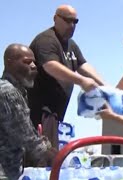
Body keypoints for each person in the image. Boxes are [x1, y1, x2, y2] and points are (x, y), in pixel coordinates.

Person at [27, 4, 106, 153]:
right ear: (55, 18)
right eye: (67, 20)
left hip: (56, 112)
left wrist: (104, 85)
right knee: (43, 157)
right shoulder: (46, 40)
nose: (71, 25)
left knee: (52, 154)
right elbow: (51, 66)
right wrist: (81, 81)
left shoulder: (71, 44)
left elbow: (82, 65)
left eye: (75, 22)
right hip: (40, 111)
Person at [0, 44, 57, 179]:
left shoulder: (18, 91)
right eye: (26, 62)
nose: (33, 66)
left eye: (34, 62)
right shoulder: (8, 92)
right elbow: (26, 137)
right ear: (10, 62)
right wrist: (55, 157)